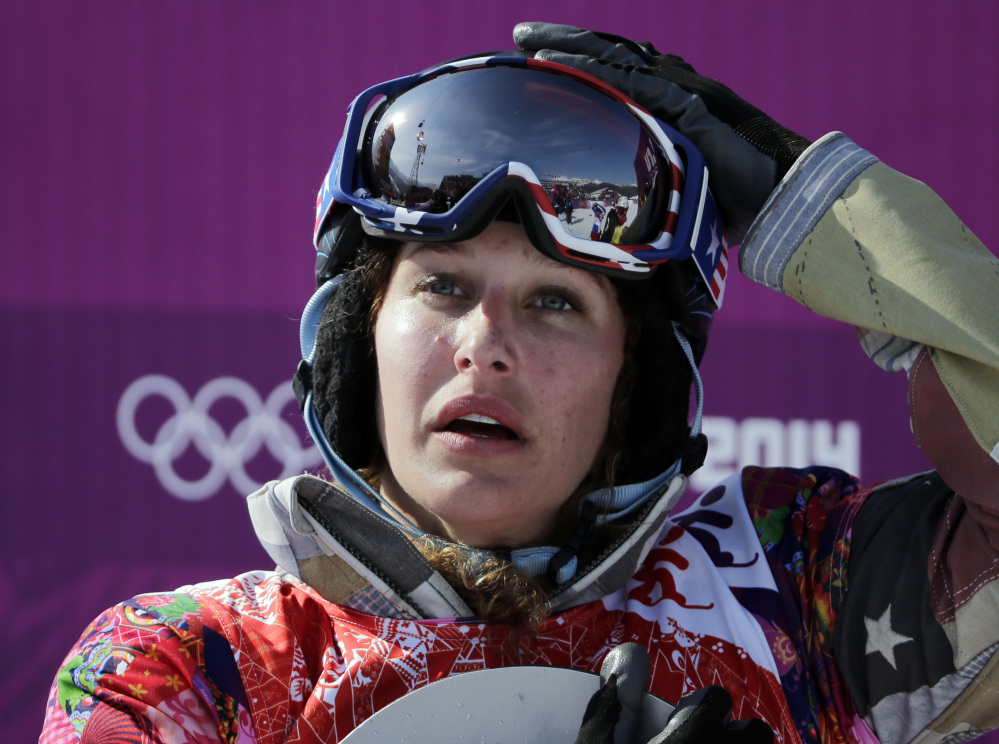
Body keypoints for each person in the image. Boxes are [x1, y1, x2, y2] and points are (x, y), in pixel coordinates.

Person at [40, 22, 999, 744]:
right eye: (443, 286)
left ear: (637, 382)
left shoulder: (795, 589)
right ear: (354, 342)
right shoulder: (190, 665)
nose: (484, 347)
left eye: (555, 305)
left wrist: (826, 221)